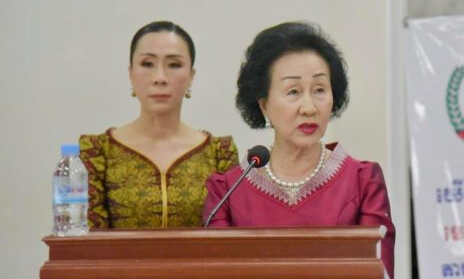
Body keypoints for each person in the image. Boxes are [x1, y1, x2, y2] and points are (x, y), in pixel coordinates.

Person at [203, 21, 395, 278]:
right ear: (264, 105)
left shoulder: (363, 182)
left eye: (319, 90)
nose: (309, 107)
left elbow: (378, 271)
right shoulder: (227, 191)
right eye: (293, 92)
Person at [79, 21, 238, 229]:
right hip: (120, 262)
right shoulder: (98, 151)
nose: (160, 78)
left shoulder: (219, 154)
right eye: (147, 64)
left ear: (191, 76)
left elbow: (229, 239)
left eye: (174, 65)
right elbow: (90, 243)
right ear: (131, 73)